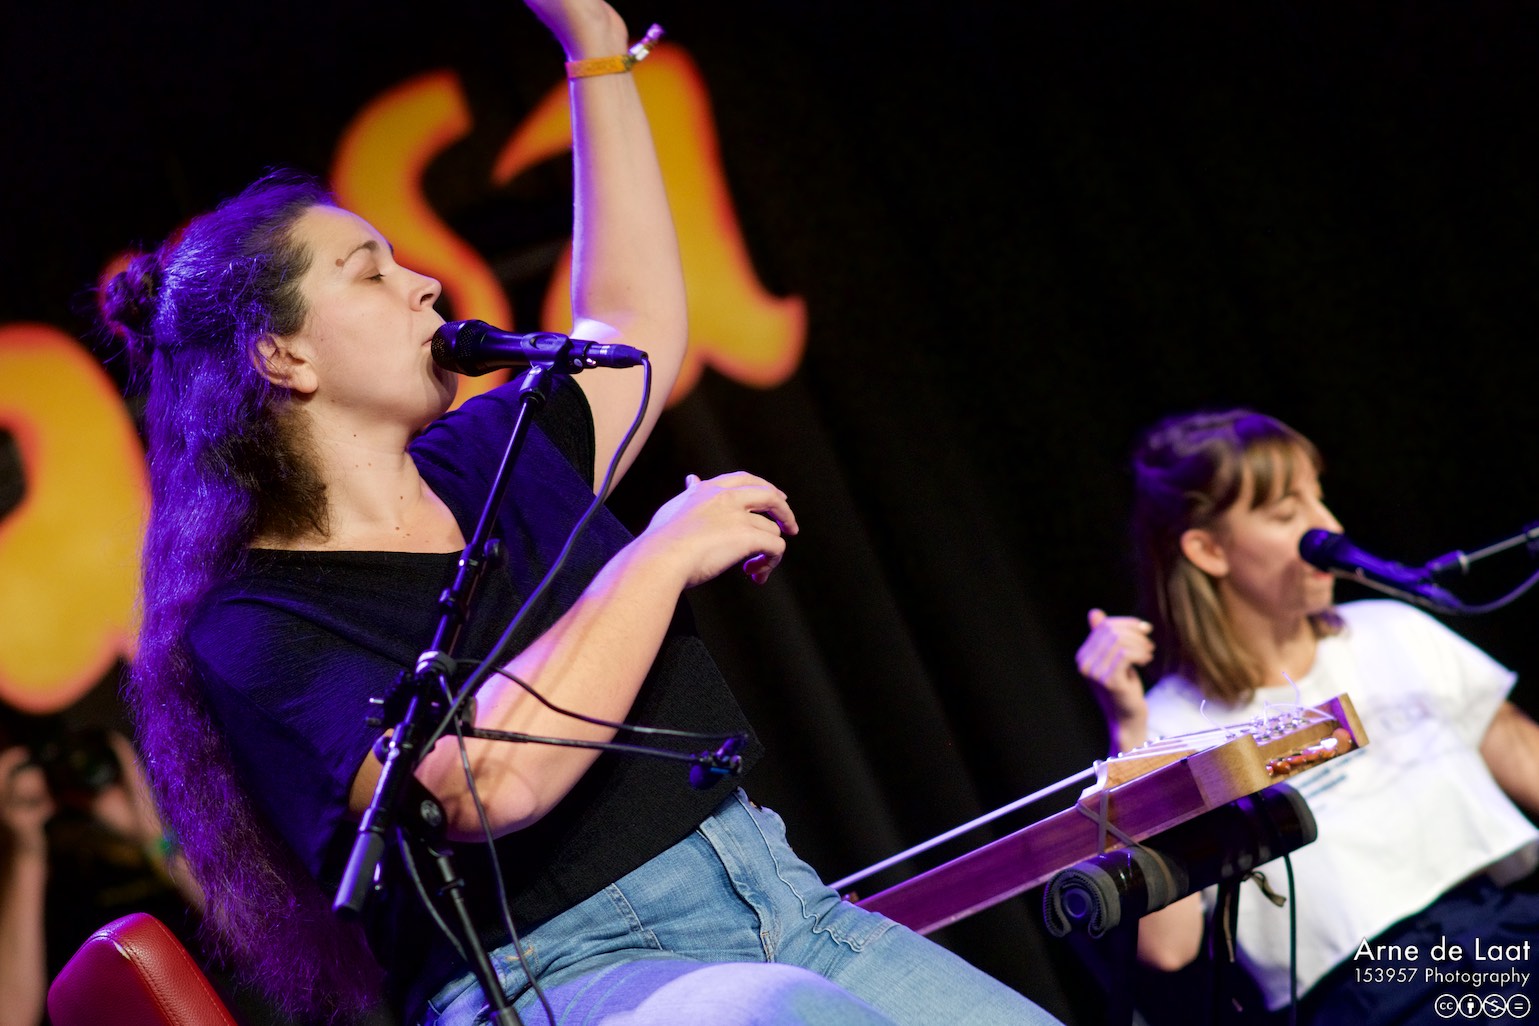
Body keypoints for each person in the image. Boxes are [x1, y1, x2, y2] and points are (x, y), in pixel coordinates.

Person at [94, 2, 1067, 1024]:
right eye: (370, 273)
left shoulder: (492, 454)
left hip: (778, 897)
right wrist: (657, 556)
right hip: (553, 976)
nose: (425, 283)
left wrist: (595, 52)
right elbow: (478, 785)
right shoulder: (252, 622)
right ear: (282, 356)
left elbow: (633, 323)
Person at [1074, 407, 1539, 1024]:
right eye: (1287, 512)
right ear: (1208, 549)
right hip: (1373, 994)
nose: (1330, 527)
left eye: (1319, 498)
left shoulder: (1392, 630)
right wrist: (1129, 733)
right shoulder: (1167, 725)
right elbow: (1167, 947)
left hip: (1507, 932)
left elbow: (1526, 760)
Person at [1, 712, 205, 1026]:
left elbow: (251, 938)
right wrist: (27, 850)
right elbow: (12, 1017)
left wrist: (149, 829)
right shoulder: (22, 882)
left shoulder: (158, 848)